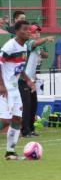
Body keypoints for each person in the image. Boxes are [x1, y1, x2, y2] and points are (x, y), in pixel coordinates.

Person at [1, 21, 36, 160]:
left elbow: (19, 68)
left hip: (15, 89)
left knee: (17, 119)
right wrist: (1, 85)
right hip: (5, 89)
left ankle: (10, 152)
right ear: (17, 31)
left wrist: (27, 79)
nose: (29, 32)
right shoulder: (10, 46)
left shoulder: (24, 47)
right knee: (4, 120)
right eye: (25, 29)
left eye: (29, 30)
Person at [19, 25, 54, 138]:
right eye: (35, 32)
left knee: (33, 104)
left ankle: (31, 129)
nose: (37, 34)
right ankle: (25, 131)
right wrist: (46, 39)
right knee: (27, 105)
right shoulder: (28, 43)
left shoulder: (37, 44)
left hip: (32, 80)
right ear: (29, 34)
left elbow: (45, 55)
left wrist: (41, 49)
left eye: (38, 32)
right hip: (23, 79)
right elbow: (34, 45)